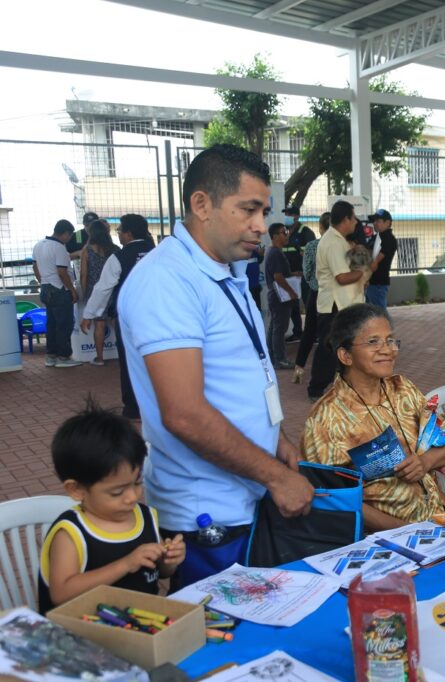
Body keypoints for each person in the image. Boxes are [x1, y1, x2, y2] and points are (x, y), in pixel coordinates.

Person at [118, 144, 313, 587]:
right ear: (201, 204)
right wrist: (277, 477)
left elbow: (239, 372)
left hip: (243, 492)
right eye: (248, 210)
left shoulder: (225, 268)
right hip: (207, 513)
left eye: (263, 211)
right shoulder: (167, 281)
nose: (260, 226)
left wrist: (276, 435)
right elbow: (184, 412)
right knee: (225, 641)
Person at [303, 304, 445, 531]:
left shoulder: (402, 389)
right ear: (345, 355)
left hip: (441, 517)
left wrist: (425, 462)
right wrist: (404, 531)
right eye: (373, 342)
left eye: (391, 340)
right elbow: (332, 498)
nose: (388, 350)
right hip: (386, 536)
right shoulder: (325, 419)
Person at [38, 401, 186, 612]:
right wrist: (125, 564)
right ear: (76, 490)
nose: (131, 497)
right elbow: (61, 594)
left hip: (142, 629)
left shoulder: (145, 517)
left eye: (137, 483)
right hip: (81, 637)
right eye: (117, 492)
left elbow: (160, 573)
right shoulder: (71, 533)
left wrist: (170, 559)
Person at [81, 214, 155, 420]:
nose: (119, 235)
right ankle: (159, 405)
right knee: (159, 359)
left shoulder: (119, 258)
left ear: (129, 234)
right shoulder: (159, 253)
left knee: (130, 361)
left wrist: (89, 314)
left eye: (120, 231)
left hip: (130, 318)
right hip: (160, 316)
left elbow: (103, 288)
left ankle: (133, 408)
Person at [308, 200, 366, 400]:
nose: (356, 222)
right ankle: (315, 389)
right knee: (328, 349)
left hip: (341, 304)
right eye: (354, 218)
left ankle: (342, 386)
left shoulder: (339, 240)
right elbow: (341, 277)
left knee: (340, 347)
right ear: (345, 219)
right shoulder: (333, 242)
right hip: (333, 304)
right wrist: (362, 273)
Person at [33, 219, 81, 368]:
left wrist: (43, 281)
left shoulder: (39, 244)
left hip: (46, 287)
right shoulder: (59, 247)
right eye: (70, 235)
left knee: (52, 323)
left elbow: (35, 267)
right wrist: (72, 290)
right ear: (66, 233)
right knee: (64, 324)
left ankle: (51, 356)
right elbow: (62, 272)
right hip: (59, 289)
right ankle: (63, 357)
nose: (69, 239)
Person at [293, 212, 330, 384]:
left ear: (320, 227)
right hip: (333, 296)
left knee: (308, 333)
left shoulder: (311, 246)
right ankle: (334, 373)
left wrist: (314, 284)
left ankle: (299, 369)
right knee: (329, 335)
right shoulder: (340, 246)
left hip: (315, 294)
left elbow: (307, 272)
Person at [79, 219, 120, 366]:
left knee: (99, 324)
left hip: (95, 290)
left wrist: (85, 293)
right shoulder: (115, 249)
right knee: (116, 323)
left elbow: (83, 274)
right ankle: (123, 355)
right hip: (114, 289)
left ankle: (100, 358)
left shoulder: (87, 250)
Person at [265, 222, 299, 370]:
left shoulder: (273, 252)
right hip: (281, 297)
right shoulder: (276, 253)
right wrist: (291, 292)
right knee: (279, 329)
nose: (287, 234)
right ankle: (280, 359)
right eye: (283, 232)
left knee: (275, 328)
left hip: (276, 296)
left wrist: (292, 274)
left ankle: (272, 357)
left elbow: (280, 275)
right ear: (274, 236)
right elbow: (278, 277)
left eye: (286, 232)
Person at [283, 206, 315, 342]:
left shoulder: (305, 232)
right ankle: (298, 332)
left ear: (296, 217)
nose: (286, 217)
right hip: (290, 276)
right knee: (293, 306)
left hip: (303, 276)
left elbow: (312, 254)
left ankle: (314, 334)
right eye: (285, 215)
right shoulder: (284, 232)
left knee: (309, 305)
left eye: (289, 214)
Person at [366, 208, 398, 315]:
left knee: (380, 314)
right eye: (374, 221)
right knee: (374, 313)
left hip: (378, 283)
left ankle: (387, 330)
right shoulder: (376, 237)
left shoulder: (389, 238)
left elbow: (376, 261)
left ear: (387, 223)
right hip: (372, 282)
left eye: (378, 221)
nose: (374, 223)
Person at [245, 243, 265, 312]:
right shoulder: (239, 250)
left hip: (256, 285)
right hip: (246, 288)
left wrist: (261, 255)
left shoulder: (255, 249)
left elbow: (259, 260)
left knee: (257, 309)